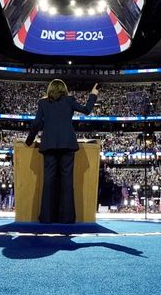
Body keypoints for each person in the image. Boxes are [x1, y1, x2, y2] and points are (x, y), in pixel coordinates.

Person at [25, 79, 98, 224]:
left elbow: (37, 124)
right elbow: (87, 110)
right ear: (64, 90)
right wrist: (93, 94)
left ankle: (46, 218)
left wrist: (29, 141)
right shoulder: (69, 101)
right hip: (67, 144)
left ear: (49, 90)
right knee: (67, 181)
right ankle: (67, 218)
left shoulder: (43, 103)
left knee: (48, 181)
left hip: (49, 145)